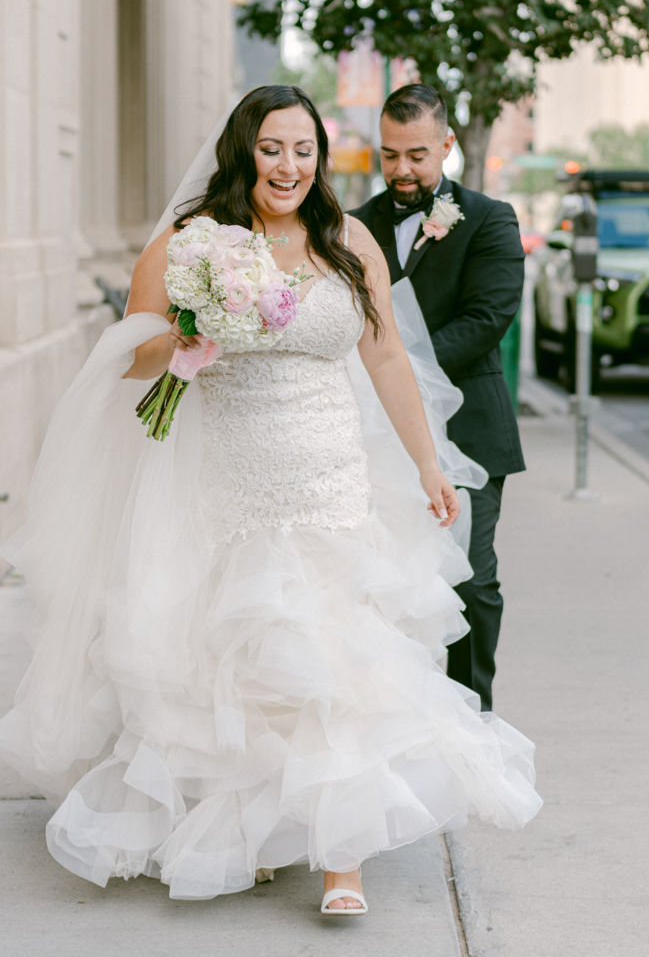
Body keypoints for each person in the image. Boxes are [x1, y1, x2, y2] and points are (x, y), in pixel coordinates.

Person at [0, 85, 541, 913]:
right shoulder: (192, 243)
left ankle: (342, 859)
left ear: (321, 158)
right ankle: (252, 830)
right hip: (228, 483)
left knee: (337, 664)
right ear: (244, 151)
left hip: (331, 483)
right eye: (271, 148)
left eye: (303, 150)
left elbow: (388, 358)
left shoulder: (349, 239)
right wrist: (180, 337)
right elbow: (130, 358)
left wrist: (430, 464)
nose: (288, 166)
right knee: (243, 670)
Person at [352, 84, 526, 713]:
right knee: (387, 582)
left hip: (470, 431)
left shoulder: (490, 218)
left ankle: (471, 716)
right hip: (378, 435)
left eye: (417, 155)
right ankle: (401, 718)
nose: (401, 169)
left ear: (446, 146)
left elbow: (487, 320)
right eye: (390, 154)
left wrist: (398, 371)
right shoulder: (355, 226)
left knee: (470, 581)